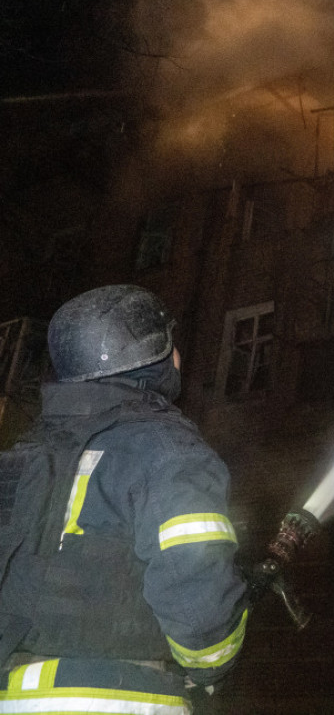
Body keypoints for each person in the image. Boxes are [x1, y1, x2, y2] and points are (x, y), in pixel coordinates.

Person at [0, 284, 248, 714]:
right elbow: (199, 605)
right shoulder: (169, 451)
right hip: (117, 699)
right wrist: (212, 666)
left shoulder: (20, 455)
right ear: (151, 357)